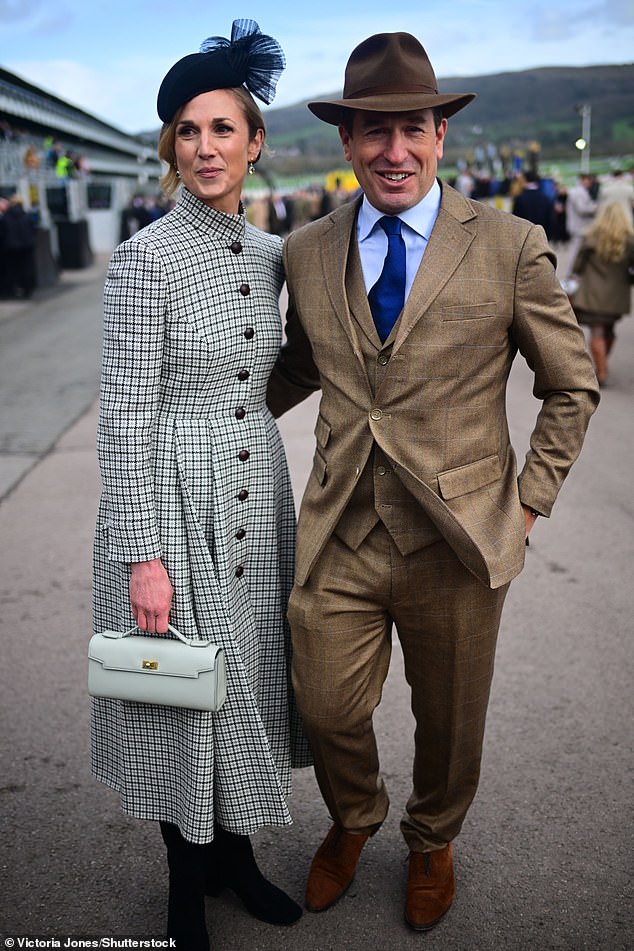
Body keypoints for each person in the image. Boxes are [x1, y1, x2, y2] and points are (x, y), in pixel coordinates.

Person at [266, 31, 599, 932]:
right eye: (373, 133)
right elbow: (298, 366)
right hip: (340, 527)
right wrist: (207, 408)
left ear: (440, 136)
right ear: (346, 143)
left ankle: (432, 837)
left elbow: (571, 381)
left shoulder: (509, 243)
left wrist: (529, 502)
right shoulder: (304, 249)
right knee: (324, 701)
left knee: (451, 723)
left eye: (411, 129)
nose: (394, 151)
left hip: (460, 534)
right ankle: (355, 816)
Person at [91, 20, 310, 950]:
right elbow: (124, 416)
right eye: (188, 130)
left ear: (256, 144)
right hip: (173, 500)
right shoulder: (144, 258)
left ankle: (235, 858)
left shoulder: (268, 258)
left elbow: (273, 374)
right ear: (169, 146)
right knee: (185, 691)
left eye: (224, 129)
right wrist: (144, 551)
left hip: (258, 493)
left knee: (248, 679)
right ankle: (186, 883)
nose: (206, 147)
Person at [571, 201, 634, 385]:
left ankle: (602, 370)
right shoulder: (629, 240)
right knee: (609, 329)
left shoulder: (591, 237)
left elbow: (578, 265)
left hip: (593, 293)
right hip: (618, 295)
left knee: (597, 329)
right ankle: (603, 364)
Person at [565, 172, 598, 276]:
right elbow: (582, 209)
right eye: (588, 180)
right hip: (578, 227)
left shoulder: (580, 191)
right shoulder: (577, 192)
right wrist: (596, 207)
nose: (590, 182)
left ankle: (574, 273)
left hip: (579, 227)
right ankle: (572, 274)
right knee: (575, 251)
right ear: (582, 180)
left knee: (577, 250)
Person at [512, 170, 554, 238]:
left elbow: (516, 220)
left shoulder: (520, 199)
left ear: (525, 180)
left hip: (525, 237)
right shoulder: (545, 198)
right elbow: (550, 219)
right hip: (542, 236)